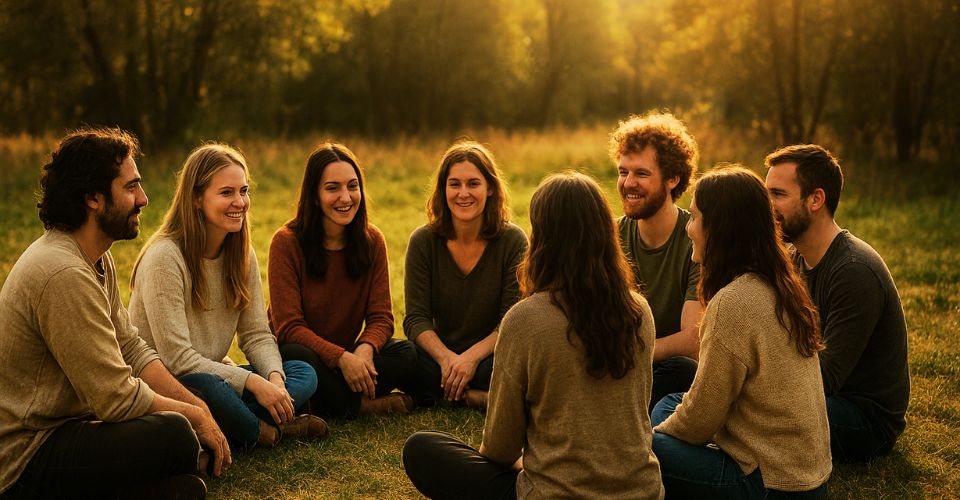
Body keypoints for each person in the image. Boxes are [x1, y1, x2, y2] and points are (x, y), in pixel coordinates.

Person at [0, 128, 229, 499]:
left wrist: (195, 405)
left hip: (71, 425)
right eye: (131, 187)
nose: (143, 198)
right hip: (29, 455)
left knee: (188, 424)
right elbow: (116, 397)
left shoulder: (95, 256)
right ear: (93, 198)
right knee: (176, 434)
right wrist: (193, 417)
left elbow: (131, 348)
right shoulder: (62, 272)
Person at [403, 172, 663, 499]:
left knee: (422, 448)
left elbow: (499, 449)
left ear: (542, 237)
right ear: (606, 233)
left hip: (555, 493)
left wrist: (527, 464)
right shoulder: (640, 310)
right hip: (642, 491)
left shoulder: (525, 319)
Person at [129, 144, 325, 450]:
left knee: (302, 371)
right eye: (226, 193)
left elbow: (257, 334)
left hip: (216, 376)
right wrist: (252, 382)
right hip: (173, 385)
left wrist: (274, 380)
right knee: (213, 389)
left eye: (243, 191)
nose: (240, 202)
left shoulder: (241, 253)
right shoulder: (165, 258)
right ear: (196, 198)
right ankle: (266, 432)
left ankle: (236, 423)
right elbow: (177, 360)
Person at [652, 167, 831, 498]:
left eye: (694, 218)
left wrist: (653, 438)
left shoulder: (733, 302)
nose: (688, 228)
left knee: (647, 447)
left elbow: (701, 420)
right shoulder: (778, 281)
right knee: (669, 403)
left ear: (719, 228)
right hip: (806, 474)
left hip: (772, 484)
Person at [764, 145, 910, 461]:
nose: (767, 205)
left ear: (816, 199)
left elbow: (825, 378)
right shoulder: (793, 258)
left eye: (777, 194)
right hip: (818, 396)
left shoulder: (854, 270)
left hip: (862, 418)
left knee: (756, 414)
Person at [269, 143, 417, 418]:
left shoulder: (372, 240)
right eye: (332, 188)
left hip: (349, 355)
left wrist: (364, 351)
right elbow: (288, 328)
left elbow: (382, 318)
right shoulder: (286, 242)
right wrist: (341, 358)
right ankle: (359, 406)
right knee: (301, 357)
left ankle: (328, 402)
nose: (345, 197)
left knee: (406, 353)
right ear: (314, 195)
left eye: (352, 186)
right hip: (304, 356)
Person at [404, 140, 528, 409]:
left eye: (473, 184)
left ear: (490, 188)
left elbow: (511, 321)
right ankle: (477, 395)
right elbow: (416, 319)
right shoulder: (423, 241)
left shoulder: (513, 241)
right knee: (401, 356)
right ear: (443, 189)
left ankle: (453, 394)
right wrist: (448, 360)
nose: (463, 193)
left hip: (489, 355)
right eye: (454, 184)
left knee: (516, 361)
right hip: (439, 359)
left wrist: (470, 359)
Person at [609, 111, 703, 410]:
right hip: (614, 362)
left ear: (673, 179)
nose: (628, 183)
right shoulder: (609, 235)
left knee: (684, 370)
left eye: (641, 174)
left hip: (661, 365)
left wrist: (632, 353)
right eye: (623, 172)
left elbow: (693, 341)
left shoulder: (697, 239)